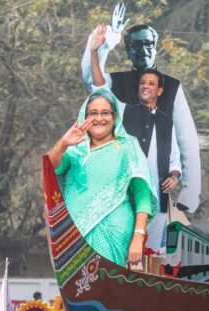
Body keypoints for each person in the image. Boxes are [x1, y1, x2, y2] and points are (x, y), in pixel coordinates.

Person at [81, 5, 201, 214]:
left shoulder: (172, 87)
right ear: (128, 50)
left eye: (148, 44)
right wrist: (108, 41)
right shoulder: (116, 82)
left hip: (157, 186)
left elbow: (187, 141)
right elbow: (92, 81)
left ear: (155, 47)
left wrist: (190, 192)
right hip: (119, 186)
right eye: (136, 45)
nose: (144, 50)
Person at [90, 29, 181, 252]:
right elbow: (100, 88)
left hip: (158, 199)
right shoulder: (124, 112)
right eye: (142, 83)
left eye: (151, 84)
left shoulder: (167, 123)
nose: (145, 87)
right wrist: (94, 52)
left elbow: (175, 162)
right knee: (122, 250)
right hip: (125, 196)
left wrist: (173, 177)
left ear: (159, 90)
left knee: (152, 254)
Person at [46, 88, 157, 266]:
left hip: (113, 229)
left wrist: (138, 236)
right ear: (84, 117)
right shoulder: (75, 150)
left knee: (106, 281)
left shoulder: (128, 147)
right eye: (93, 113)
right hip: (73, 231)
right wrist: (62, 144)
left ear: (115, 116)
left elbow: (142, 194)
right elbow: (50, 169)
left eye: (105, 113)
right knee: (76, 282)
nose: (99, 118)